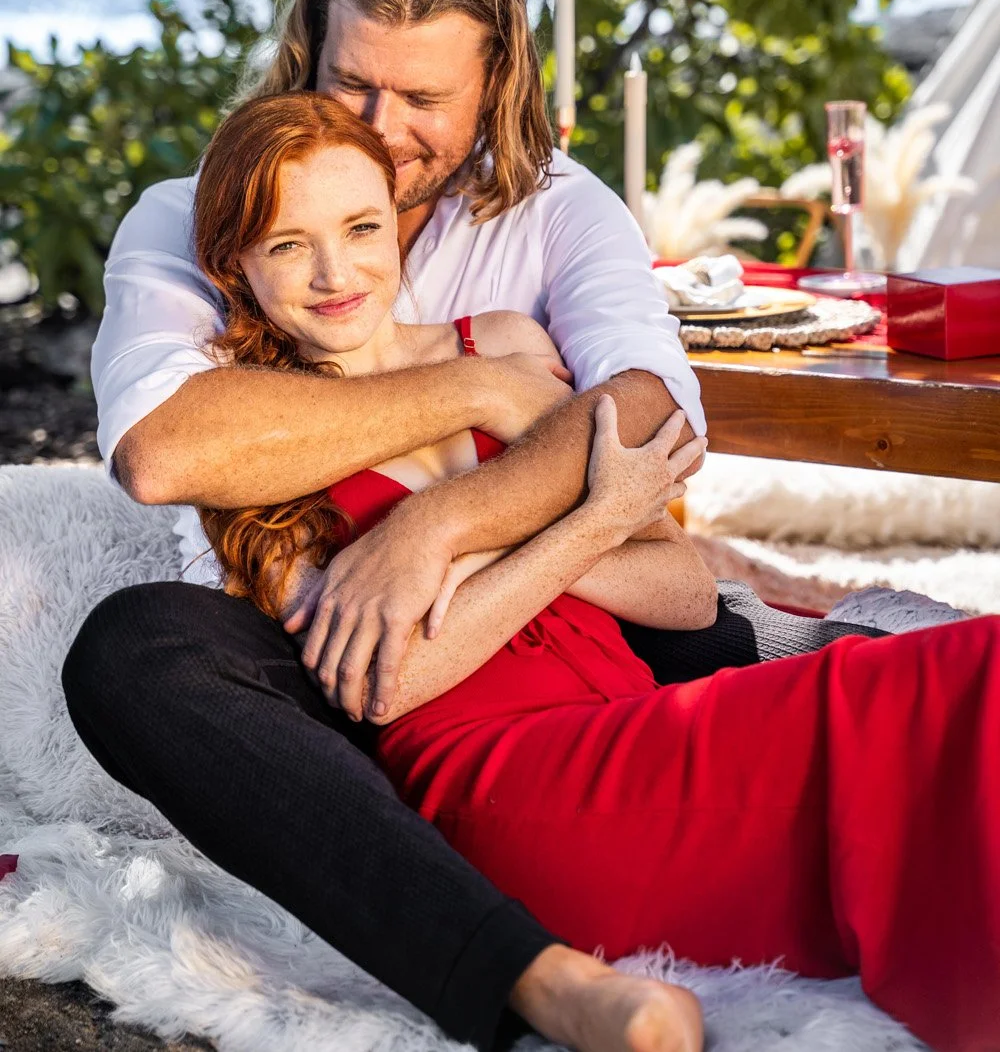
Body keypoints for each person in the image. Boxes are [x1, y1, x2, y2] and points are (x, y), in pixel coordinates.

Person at [61, 0, 876, 1052]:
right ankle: (534, 979)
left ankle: (800, 685)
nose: (385, 131)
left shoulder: (556, 209)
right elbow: (170, 447)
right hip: (323, 646)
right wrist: (474, 380)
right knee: (139, 651)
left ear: (495, 86)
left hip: (555, 618)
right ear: (306, 54)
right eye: (353, 86)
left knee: (742, 630)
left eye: (425, 100)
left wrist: (437, 525)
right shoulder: (202, 213)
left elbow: (646, 419)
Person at [196, 90, 999, 1052]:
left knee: (958, 681)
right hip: (506, 786)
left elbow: (684, 588)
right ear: (233, 264)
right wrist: (584, 530)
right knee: (949, 679)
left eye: (362, 226)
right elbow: (388, 682)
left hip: (641, 720)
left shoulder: (497, 349)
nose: (337, 272)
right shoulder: (255, 449)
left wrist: (468, 544)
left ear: (398, 224)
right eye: (287, 244)